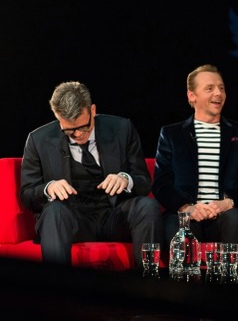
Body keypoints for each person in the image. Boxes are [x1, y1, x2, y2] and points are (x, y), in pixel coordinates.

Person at [20, 81, 163, 268]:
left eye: (84, 127)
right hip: (72, 220)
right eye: (69, 131)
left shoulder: (122, 129)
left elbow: (144, 182)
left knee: (147, 206)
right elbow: (27, 194)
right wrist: (48, 188)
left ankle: (147, 283)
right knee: (53, 211)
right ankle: (57, 290)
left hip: (114, 216)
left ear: (92, 110)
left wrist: (125, 180)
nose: (78, 135)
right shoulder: (38, 140)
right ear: (58, 118)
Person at [152, 64, 238, 260]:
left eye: (221, 88)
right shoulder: (172, 134)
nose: (218, 93)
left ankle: (229, 286)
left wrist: (227, 203)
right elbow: (161, 184)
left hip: (225, 214)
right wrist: (187, 207)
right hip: (186, 212)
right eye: (209, 88)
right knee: (179, 225)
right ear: (192, 96)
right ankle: (182, 288)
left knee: (236, 219)